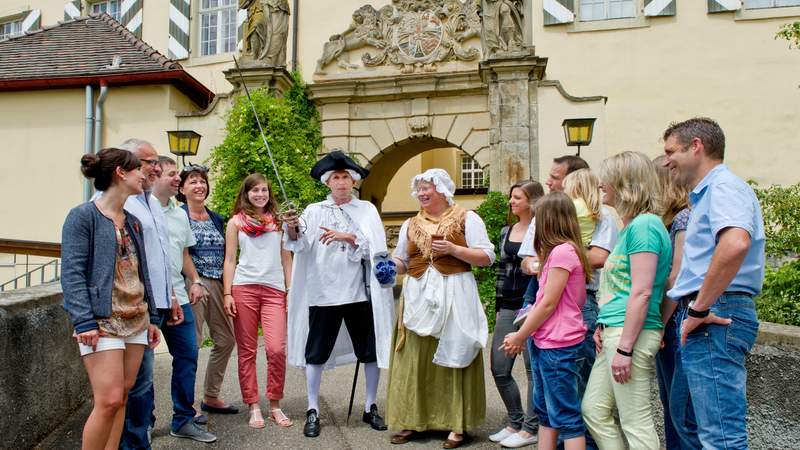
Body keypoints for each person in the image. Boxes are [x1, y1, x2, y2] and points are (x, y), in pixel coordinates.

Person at [663, 118, 764, 449]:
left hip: (717, 311)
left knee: (720, 435)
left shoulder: (723, 188)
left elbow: (735, 243)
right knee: (708, 430)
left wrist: (700, 306)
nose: (666, 161)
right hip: (714, 309)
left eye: (670, 151)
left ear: (696, 146)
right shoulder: (710, 192)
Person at [283, 150, 394, 438]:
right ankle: (312, 409)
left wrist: (350, 237)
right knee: (316, 354)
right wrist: (292, 227)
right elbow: (299, 245)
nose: (341, 182)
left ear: (353, 181)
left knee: (369, 352)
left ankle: (370, 406)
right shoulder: (314, 210)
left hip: (359, 294)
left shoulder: (366, 211)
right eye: (336, 177)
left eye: (345, 177)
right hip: (323, 293)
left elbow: (377, 250)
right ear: (327, 182)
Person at [387, 168, 495, 449]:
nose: (422, 193)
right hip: (418, 295)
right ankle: (413, 420)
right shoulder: (410, 223)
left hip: (455, 290)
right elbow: (403, 260)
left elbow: (486, 257)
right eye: (419, 189)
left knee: (454, 351)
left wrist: (455, 250)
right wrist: (390, 266)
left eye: (427, 188)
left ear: (443, 190)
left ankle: (456, 425)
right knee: (416, 356)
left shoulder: (467, 218)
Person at [61, 148, 161, 450]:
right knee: (108, 400)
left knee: (123, 398)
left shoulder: (132, 221)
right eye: (137, 169)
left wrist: (152, 318)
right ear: (121, 172)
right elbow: (72, 273)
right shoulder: (83, 216)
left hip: (136, 318)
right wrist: (84, 321)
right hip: (101, 321)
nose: (144, 175)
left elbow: (143, 273)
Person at [581, 151, 672, 450]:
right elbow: (625, 289)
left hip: (628, 335)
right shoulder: (632, 227)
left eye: (606, 177)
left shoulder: (645, 226)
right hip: (616, 329)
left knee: (636, 422)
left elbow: (643, 291)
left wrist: (625, 347)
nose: (600, 184)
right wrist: (603, 324)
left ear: (625, 183)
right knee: (594, 409)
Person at [105, 138, 181, 450]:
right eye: (148, 162)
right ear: (126, 167)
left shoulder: (150, 201)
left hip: (156, 301)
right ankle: (134, 443)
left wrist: (171, 295)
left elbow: (159, 256)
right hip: (128, 307)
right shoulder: (116, 204)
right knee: (132, 386)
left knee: (141, 383)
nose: (155, 167)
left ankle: (137, 438)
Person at [502, 191, 593, 450]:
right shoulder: (557, 252)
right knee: (545, 411)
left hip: (558, 344)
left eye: (537, 219)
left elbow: (548, 303)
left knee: (566, 416)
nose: (533, 224)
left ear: (549, 220)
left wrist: (520, 335)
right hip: (546, 341)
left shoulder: (563, 252)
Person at [151, 157, 217, 442]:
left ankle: (183, 419)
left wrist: (197, 280)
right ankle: (143, 424)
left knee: (188, 356)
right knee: (143, 368)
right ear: (155, 177)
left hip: (180, 297)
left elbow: (184, 255)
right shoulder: (140, 210)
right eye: (171, 174)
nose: (177, 178)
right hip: (149, 301)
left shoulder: (179, 214)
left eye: (177, 174)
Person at [222, 173, 293, 429]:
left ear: (269, 193)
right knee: (247, 351)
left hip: (274, 291)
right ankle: (253, 405)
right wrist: (227, 293)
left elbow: (287, 259)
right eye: (255, 190)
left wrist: (290, 289)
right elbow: (230, 259)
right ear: (246, 193)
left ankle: (275, 404)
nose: (260, 194)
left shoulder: (280, 223)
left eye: (264, 190)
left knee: (276, 349)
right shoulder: (235, 223)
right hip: (244, 289)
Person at [563, 168, 619, 450]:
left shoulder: (603, 215)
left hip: (589, 296)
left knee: (582, 377)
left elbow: (599, 257)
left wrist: (557, 256)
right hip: (572, 296)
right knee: (570, 376)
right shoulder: (593, 214)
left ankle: (586, 444)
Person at [178, 165, 239, 417]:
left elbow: (228, 255)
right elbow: (180, 252)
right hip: (193, 283)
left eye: (202, 181)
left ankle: (211, 396)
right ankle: (186, 403)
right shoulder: (179, 216)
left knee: (226, 339)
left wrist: (227, 290)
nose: (199, 186)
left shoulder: (215, 218)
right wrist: (194, 281)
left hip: (217, 283)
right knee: (191, 344)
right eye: (192, 182)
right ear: (181, 189)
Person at [489, 180, 544, 448]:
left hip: (533, 305)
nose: (511, 201)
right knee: (499, 367)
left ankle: (531, 428)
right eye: (511, 197)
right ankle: (514, 420)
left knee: (533, 372)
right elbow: (500, 270)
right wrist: (499, 307)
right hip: (509, 305)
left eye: (517, 197)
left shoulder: (543, 230)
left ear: (532, 201)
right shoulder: (505, 231)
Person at [652, 156, 697, 450]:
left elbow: (676, 277)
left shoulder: (682, 218)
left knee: (681, 411)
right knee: (672, 406)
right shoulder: (669, 220)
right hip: (672, 320)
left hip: (676, 319)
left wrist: (658, 323)